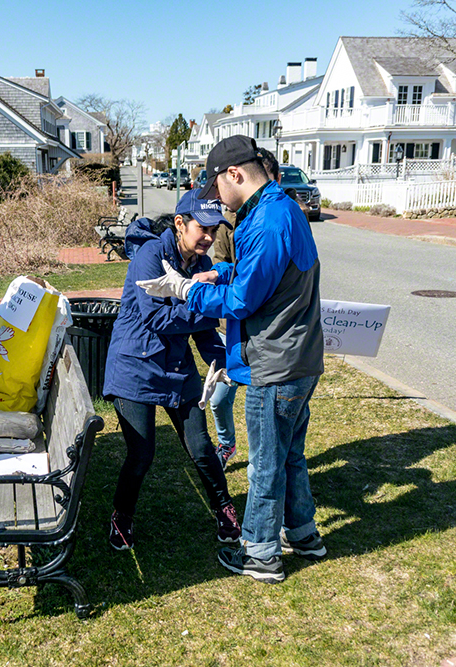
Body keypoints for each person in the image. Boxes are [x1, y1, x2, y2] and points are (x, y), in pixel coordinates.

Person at [138, 135, 326, 583]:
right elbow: (267, 272)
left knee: (265, 461)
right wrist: (218, 271)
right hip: (299, 358)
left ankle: (260, 553)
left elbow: (242, 301)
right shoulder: (280, 209)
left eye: (216, 188)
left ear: (234, 175)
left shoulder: (265, 220)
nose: (217, 201)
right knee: (289, 456)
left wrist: (187, 289)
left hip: (275, 362)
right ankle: (302, 534)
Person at [102, 189, 241, 552]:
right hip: (135, 367)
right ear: (180, 224)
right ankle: (122, 515)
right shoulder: (150, 255)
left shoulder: (199, 265)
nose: (209, 237)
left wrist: (224, 361)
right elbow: (157, 317)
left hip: (177, 369)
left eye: (215, 230)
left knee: (200, 446)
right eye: (203, 228)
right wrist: (209, 307)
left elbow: (203, 332)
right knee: (142, 452)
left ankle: (224, 508)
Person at [208, 147, 280, 470]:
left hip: (266, 348)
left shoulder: (276, 219)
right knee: (219, 398)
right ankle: (227, 443)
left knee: (267, 458)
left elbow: (246, 295)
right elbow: (227, 272)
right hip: (236, 336)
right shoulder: (229, 223)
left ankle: (260, 460)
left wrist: (191, 293)